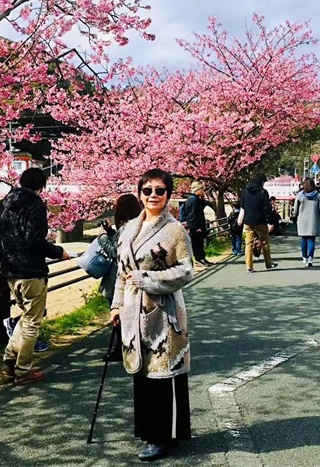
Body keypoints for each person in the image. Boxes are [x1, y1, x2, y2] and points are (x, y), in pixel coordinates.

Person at [110, 169, 194, 462]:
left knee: (164, 372)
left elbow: (186, 269)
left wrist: (146, 279)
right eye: (147, 190)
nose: (153, 195)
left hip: (164, 312)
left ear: (168, 195)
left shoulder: (175, 230)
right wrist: (116, 305)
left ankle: (165, 437)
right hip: (133, 311)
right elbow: (121, 273)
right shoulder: (129, 229)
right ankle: (150, 432)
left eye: (160, 190)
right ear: (140, 194)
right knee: (143, 372)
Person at [0, 168, 69, 386]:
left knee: (26, 317)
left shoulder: (5, 202)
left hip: (10, 272)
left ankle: (10, 361)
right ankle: (23, 371)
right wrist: (58, 252)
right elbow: (35, 239)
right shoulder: (35, 205)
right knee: (33, 322)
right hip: (31, 272)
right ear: (41, 186)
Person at [97, 193, 142, 361]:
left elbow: (116, 252)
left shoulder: (126, 228)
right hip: (131, 276)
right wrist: (110, 232)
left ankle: (120, 349)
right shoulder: (137, 225)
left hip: (120, 278)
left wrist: (102, 237)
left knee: (118, 315)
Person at [241, 173, 278, 273]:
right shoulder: (263, 192)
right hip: (260, 221)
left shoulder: (245, 191)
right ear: (262, 182)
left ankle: (249, 266)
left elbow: (242, 205)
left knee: (248, 243)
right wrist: (270, 222)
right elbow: (267, 208)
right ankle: (268, 263)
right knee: (265, 241)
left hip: (248, 221)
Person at [182, 181, 213, 267]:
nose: (203, 191)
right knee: (196, 244)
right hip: (195, 228)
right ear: (197, 190)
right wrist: (195, 228)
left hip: (198, 226)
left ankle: (202, 258)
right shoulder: (193, 200)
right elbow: (192, 215)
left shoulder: (195, 199)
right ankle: (199, 260)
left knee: (200, 244)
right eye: (201, 189)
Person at [293, 178, 320, 267]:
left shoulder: (300, 195)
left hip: (302, 220)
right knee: (311, 240)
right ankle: (310, 258)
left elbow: (295, 209)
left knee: (304, 239)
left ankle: (304, 257)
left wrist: (294, 216)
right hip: (313, 220)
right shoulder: (318, 195)